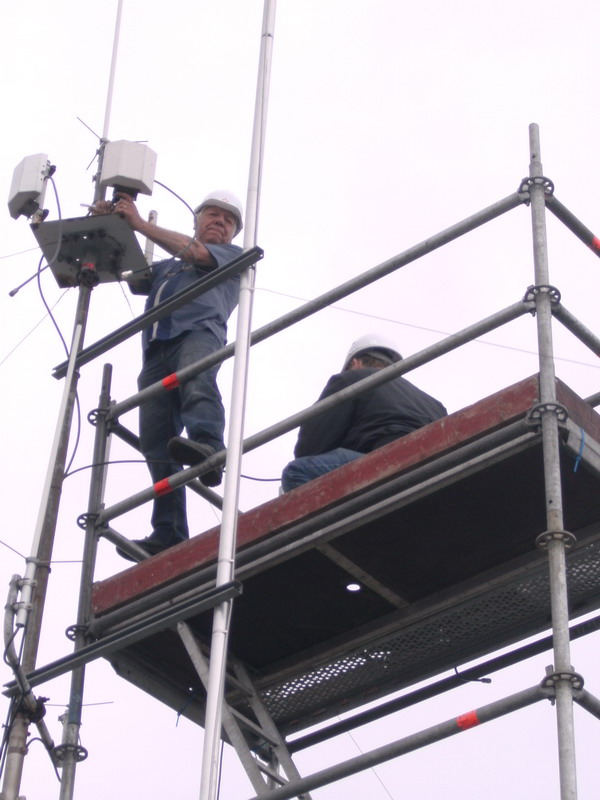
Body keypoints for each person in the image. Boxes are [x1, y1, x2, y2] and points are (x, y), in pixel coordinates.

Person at [93, 189, 244, 558]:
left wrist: (139, 224)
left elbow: (194, 253)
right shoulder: (168, 268)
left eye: (228, 221)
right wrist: (111, 223)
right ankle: (169, 531)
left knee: (197, 380)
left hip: (198, 333)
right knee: (156, 443)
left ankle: (210, 449)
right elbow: (129, 270)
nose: (220, 223)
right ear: (197, 220)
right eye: (213, 215)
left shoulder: (231, 257)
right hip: (157, 351)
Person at [281, 334, 447, 492]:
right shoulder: (434, 403)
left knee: (297, 471)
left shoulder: (352, 379)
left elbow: (312, 445)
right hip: (433, 465)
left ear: (355, 363)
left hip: (385, 459)